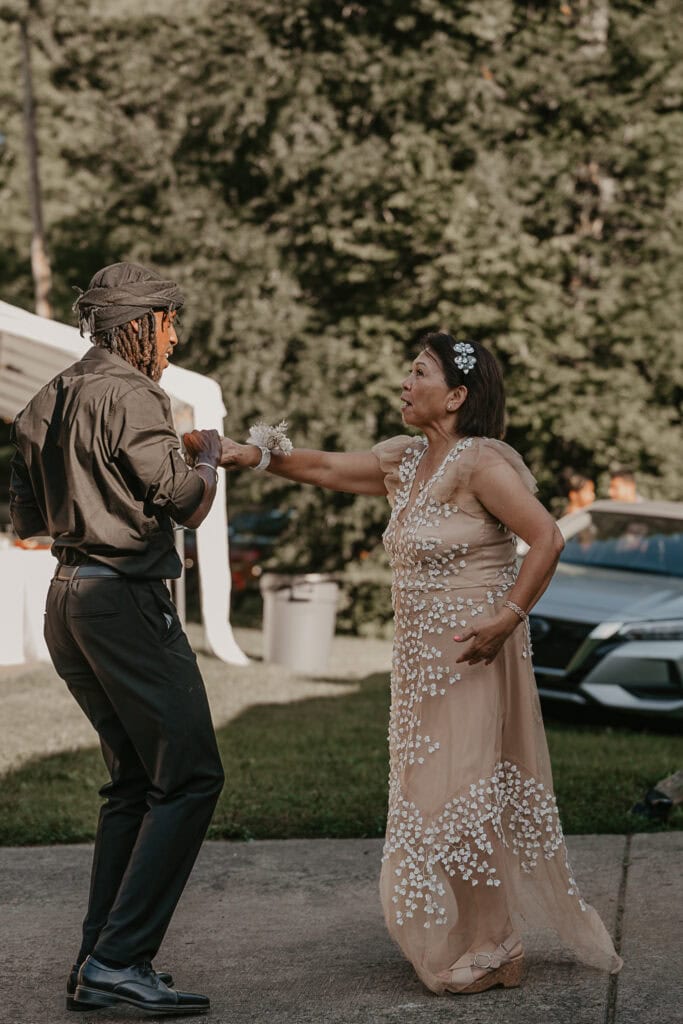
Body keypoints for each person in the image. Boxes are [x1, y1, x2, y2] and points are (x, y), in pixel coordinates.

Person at [207, 333, 623, 995]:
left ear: (456, 395)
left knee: (462, 796)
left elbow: (543, 537)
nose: (404, 381)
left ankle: (496, 944)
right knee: (433, 797)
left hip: (473, 654)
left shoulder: (479, 463)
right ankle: (483, 939)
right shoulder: (407, 461)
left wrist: (509, 615)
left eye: (417, 372)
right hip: (419, 667)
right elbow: (323, 470)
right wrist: (249, 456)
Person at [9, 262, 224, 1016]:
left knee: (134, 781)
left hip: (67, 602)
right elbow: (186, 502)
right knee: (193, 775)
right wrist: (208, 452)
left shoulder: (48, 396)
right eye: (168, 321)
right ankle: (120, 958)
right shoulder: (134, 393)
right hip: (125, 601)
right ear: (139, 322)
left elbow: (24, 519)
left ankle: (96, 963)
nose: (174, 337)